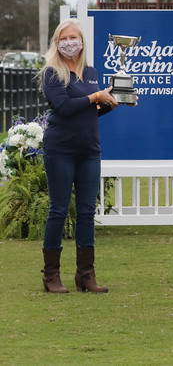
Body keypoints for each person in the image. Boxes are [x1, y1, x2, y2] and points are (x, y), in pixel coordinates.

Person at [38, 19, 122, 293]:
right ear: (57, 43)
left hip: (89, 150)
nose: (70, 42)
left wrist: (109, 103)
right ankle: (51, 275)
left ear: (82, 41)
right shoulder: (52, 73)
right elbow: (63, 107)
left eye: (74, 37)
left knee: (86, 212)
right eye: (64, 38)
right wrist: (95, 95)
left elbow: (90, 110)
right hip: (60, 149)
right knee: (59, 210)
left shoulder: (92, 72)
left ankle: (86, 275)